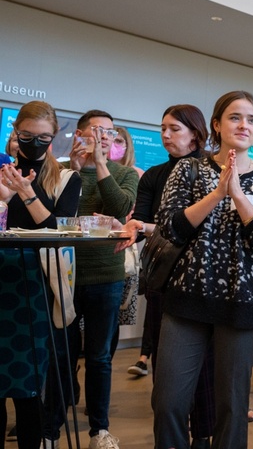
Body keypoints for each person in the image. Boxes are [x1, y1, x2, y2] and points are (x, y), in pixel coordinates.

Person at [152, 91, 253, 449]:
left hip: (242, 303)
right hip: (186, 299)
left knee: (232, 407)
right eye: (234, 117)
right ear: (216, 125)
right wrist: (216, 193)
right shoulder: (189, 168)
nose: (244, 125)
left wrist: (240, 196)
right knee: (168, 402)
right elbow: (170, 227)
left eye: (251, 119)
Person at [115, 104, 215, 449]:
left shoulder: (210, 171)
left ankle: (203, 433)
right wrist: (131, 227)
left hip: (205, 279)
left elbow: (200, 227)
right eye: (163, 129)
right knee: (165, 361)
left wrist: (148, 226)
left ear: (196, 133)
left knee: (206, 364)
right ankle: (171, 435)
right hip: (163, 277)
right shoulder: (154, 175)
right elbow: (141, 222)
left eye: (174, 128)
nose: (166, 135)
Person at [0, 101, 81, 449]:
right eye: (27, 136)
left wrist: (25, 192)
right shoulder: (2, 171)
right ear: (15, 133)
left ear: (53, 140)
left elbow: (57, 233)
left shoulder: (66, 179)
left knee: (28, 384)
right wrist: (3, 199)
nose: (34, 144)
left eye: (43, 138)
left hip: (34, 288)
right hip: (1, 278)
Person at [66, 109, 140, 449]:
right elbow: (55, 213)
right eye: (97, 130)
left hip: (105, 276)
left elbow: (120, 205)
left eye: (109, 132)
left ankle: (99, 430)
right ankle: (53, 424)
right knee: (62, 352)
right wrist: (75, 170)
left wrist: (100, 165)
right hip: (63, 274)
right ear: (80, 134)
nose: (104, 136)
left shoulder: (124, 173)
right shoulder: (63, 171)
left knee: (99, 356)